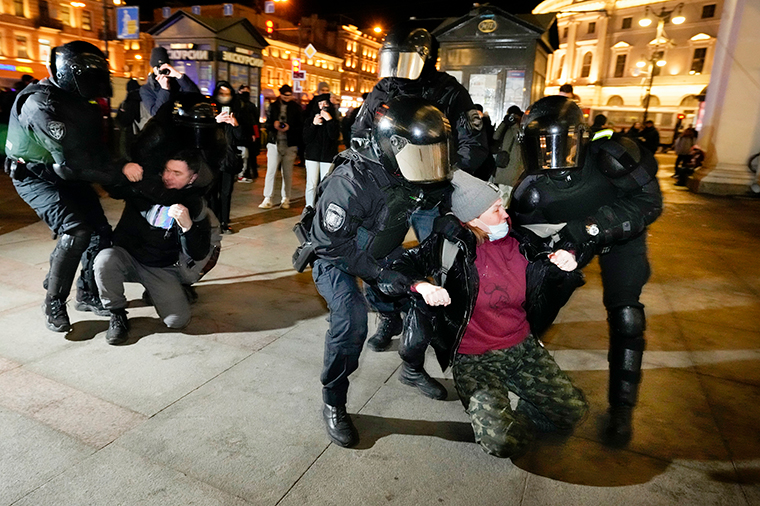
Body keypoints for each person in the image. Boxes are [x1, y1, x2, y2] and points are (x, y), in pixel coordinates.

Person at [380, 170, 588, 458]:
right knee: (503, 443)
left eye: (502, 205)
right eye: (496, 209)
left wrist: (569, 253)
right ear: (473, 219)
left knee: (573, 412)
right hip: (475, 359)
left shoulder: (522, 240)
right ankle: (504, 415)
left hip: (522, 348)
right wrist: (422, 285)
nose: (505, 214)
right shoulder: (449, 246)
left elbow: (573, 234)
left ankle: (527, 406)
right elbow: (397, 267)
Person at [509, 95, 663, 447]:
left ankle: (622, 409)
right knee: (532, 311)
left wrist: (590, 226)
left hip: (622, 236)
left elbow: (649, 202)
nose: (552, 158)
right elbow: (520, 244)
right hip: (572, 240)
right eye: (541, 146)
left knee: (627, 316)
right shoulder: (531, 191)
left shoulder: (613, 156)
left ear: (582, 136)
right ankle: (529, 388)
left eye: (562, 143)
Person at [309, 97, 452, 448]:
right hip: (338, 255)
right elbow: (330, 244)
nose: (428, 165)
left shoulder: (416, 166)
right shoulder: (352, 181)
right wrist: (377, 273)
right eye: (422, 156)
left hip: (382, 250)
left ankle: (411, 367)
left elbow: (447, 193)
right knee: (351, 319)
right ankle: (334, 402)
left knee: (424, 299)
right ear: (393, 146)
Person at [350, 23, 491, 351]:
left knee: (436, 262)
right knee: (375, 255)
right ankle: (388, 315)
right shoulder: (383, 89)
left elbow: (474, 143)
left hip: (431, 195)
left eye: (406, 60)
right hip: (390, 194)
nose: (398, 70)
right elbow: (359, 133)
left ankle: (431, 322)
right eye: (393, 60)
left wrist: (444, 173)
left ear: (425, 58)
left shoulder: (449, 91)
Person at [4, 41, 123, 332]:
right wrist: (118, 179)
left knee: (100, 232)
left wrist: (121, 170)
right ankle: (54, 302)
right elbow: (71, 161)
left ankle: (87, 293)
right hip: (34, 175)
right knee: (76, 232)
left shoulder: (82, 102)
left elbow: (96, 150)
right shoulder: (40, 104)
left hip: (69, 172)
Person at [95, 150, 214, 344]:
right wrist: (123, 167)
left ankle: (161, 290)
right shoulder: (149, 186)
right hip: (128, 258)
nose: (168, 177)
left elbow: (199, 252)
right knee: (105, 259)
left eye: (177, 174)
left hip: (160, 267)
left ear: (192, 178)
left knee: (177, 321)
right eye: (167, 170)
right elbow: (113, 187)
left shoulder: (195, 204)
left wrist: (187, 227)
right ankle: (116, 313)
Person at [209, 81, 245, 234]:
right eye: (221, 94)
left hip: (228, 158)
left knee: (226, 192)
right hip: (212, 158)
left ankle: (224, 222)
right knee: (211, 193)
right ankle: (213, 222)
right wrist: (215, 121)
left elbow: (243, 138)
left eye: (227, 94)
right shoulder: (209, 109)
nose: (224, 97)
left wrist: (235, 124)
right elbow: (203, 133)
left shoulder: (237, 110)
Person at [260, 84, 302, 210]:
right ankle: (268, 198)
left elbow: (300, 126)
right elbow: (267, 124)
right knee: (271, 171)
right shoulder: (273, 106)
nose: (287, 97)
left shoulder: (296, 108)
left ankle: (286, 198)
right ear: (280, 94)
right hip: (274, 142)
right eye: (285, 95)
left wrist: (290, 128)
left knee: (287, 173)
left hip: (290, 144)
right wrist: (274, 124)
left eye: (289, 95)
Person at [303, 82, 340, 208]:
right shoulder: (309, 120)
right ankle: (309, 207)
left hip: (328, 156)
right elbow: (306, 138)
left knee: (326, 183)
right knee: (311, 184)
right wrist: (313, 124)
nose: (323, 106)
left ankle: (322, 207)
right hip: (312, 156)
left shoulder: (333, 120)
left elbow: (334, 136)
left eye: (325, 103)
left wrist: (329, 120)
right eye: (320, 104)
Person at [140, 46, 200, 117]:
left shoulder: (178, 83)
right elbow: (156, 114)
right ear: (154, 68)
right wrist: (165, 90)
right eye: (159, 68)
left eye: (165, 66)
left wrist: (179, 76)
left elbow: (196, 98)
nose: (162, 70)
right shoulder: (147, 89)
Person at [491, 105, 524, 205]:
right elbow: (496, 136)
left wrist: (514, 124)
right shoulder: (507, 126)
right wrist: (504, 122)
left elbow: (519, 139)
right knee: (502, 193)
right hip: (504, 164)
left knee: (509, 194)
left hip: (514, 165)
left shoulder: (521, 127)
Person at [237, 84, 260, 182]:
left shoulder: (244, 104)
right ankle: (248, 172)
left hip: (248, 131)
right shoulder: (247, 105)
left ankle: (249, 172)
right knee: (248, 153)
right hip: (247, 131)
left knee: (248, 153)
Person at [115, 78, 142, 157]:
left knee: (127, 153)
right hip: (142, 130)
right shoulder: (144, 99)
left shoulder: (129, 102)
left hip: (130, 132)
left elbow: (125, 120)